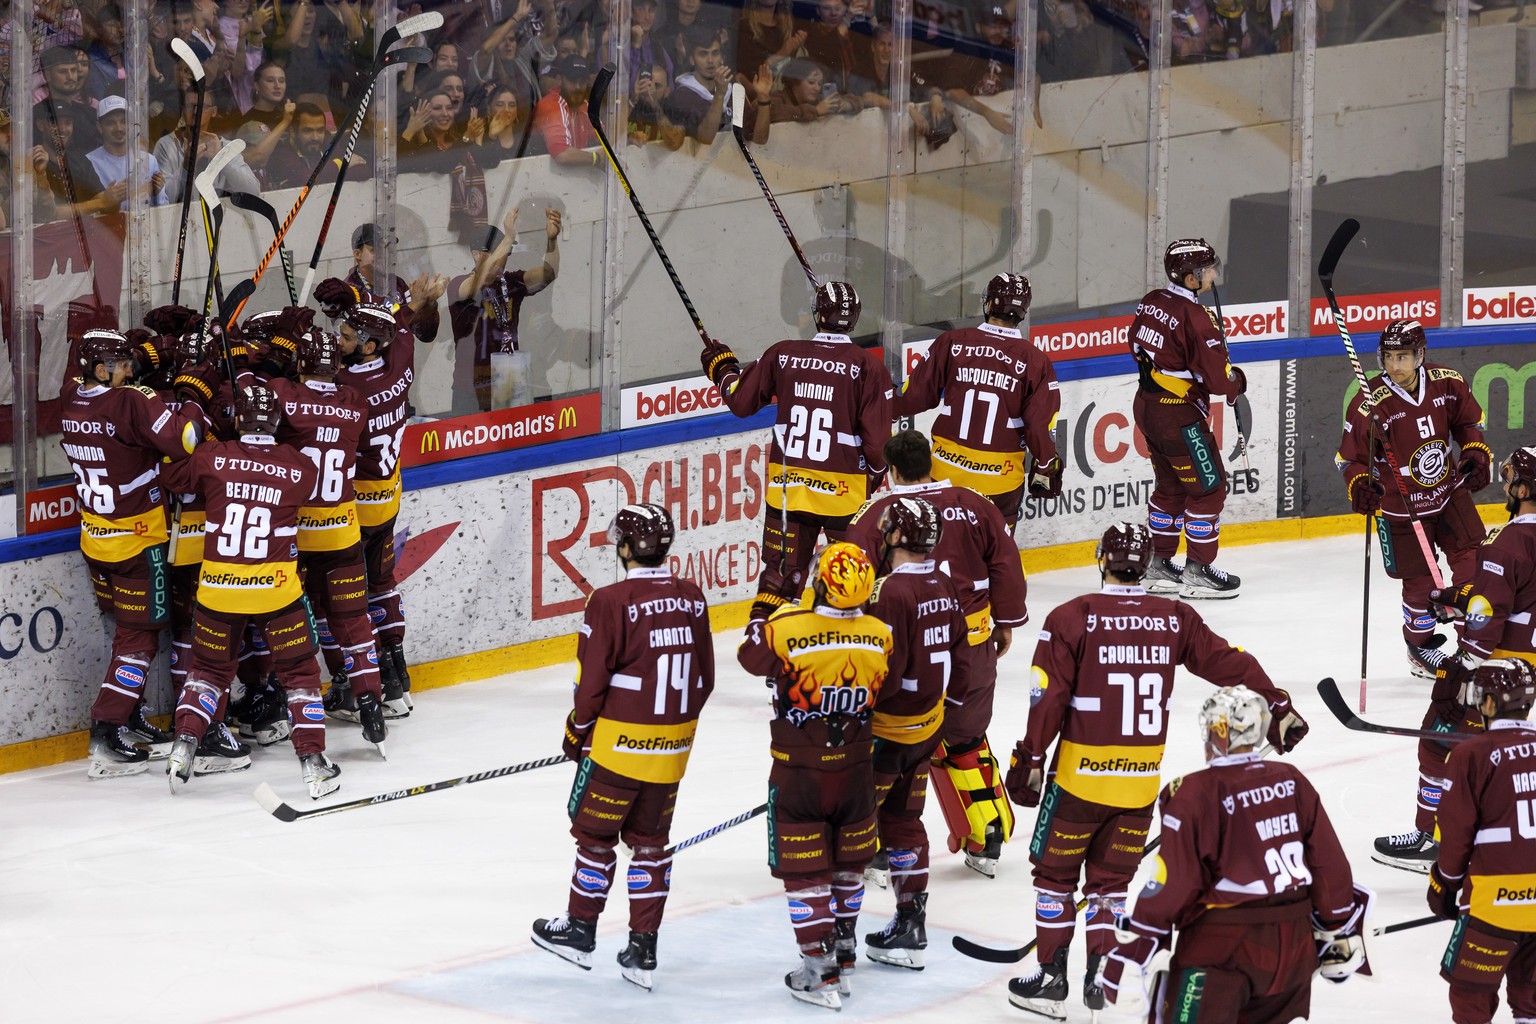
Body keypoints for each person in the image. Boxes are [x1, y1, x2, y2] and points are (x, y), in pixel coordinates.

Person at [1003, 521, 1309, 1019]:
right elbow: (1230, 663)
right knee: (1110, 884)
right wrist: (1276, 704)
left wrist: (1030, 758)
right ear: (1146, 565)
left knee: (1055, 878)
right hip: (1139, 782)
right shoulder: (1174, 616)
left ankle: (1051, 976)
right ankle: (1099, 975)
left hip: (1079, 780)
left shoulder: (1070, 617)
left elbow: (1049, 698)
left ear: (1101, 560)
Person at [1100, 686, 1371, 1024]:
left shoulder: (1191, 792)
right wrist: (1337, 929)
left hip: (1222, 951)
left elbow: (1175, 883)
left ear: (1217, 731)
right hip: (1294, 949)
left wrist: (1134, 949)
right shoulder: (1292, 780)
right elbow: (1329, 865)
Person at [530, 505, 715, 991]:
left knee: (595, 839)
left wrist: (577, 731)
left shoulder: (609, 600)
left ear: (628, 548)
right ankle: (643, 949)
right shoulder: (693, 596)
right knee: (650, 846)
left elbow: (591, 682)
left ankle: (580, 929)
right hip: (673, 748)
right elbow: (705, 678)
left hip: (617, 747)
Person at [847, 429, 1027, 877]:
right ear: (931, 462)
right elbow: (1006, 562)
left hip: (909, 651)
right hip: (971, 643)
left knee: (889, 748)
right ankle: (986, 836)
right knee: (966, 741)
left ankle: (873, 843)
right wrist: (1005, 621)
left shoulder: (881, 513)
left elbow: (850, 574)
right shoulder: (973, 501)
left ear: (890, 471)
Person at [161, 383, 341, 798]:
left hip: (218, 589)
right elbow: (307, 484)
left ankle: (183, 748)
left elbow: (173, 475)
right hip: (276, 592)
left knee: (206, 672)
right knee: (299, 675)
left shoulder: (211, 456)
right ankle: (313, 764)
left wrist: (203, 431)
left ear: (237, 419)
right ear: (277, 422)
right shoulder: (299, 467)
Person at [738, 543, 892, 1010]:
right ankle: (843, 954)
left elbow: (749, 656)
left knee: (805, 873)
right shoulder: (881, 633)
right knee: (848, 865)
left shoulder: (786, 628)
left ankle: (817, 968)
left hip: (800, 771)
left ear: (821, 582)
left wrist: (778, 606)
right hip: (856, 770)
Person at [701, 280, 893, 616]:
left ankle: (773, 656)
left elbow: (740, 400)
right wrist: (873, 478)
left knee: (779, 583)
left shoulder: (783, 353)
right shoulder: (868, 367)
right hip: (843, 499)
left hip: (788, 495)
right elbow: (878, 447)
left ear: (817, 314)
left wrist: (723, 370)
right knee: (849, 583)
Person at [1388, 446, 1536, 873]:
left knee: (1438, 745)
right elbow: (1513, 596)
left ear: (1523, 488)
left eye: (1510, 478)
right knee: (1504, 757)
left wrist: (1462, 671)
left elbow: (1488, 618)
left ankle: (1432, 841)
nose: (1505, 483)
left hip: (1496, 671)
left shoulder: (1507, 542)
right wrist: (1460, 598)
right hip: (1528, 672)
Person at [61, 330, 202, 778]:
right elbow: (186, 440)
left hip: (96, 542)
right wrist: (192, 394)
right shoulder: (128, 403)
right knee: (139, 639)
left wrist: (141, 367)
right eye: (122, 365)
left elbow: (117, 412)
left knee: (124, 631)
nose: (130, 371)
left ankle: (131, 717)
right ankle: (106, 730)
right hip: (139, 544)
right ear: (101, 371)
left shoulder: (71, 397)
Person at [260, 322, 389, 755]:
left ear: (300, 364)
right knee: (353, 621)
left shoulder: (283, 393)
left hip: (294, 539)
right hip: (342, 534)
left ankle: (281, 701)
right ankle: (369, 698)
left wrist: (265, 359)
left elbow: (256, 413)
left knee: (287, 627)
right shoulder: (354, 402)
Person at [1337, 317, 1490, 679]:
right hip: (1401, 507)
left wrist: (1475, 452)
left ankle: (1475, 645)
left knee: (1473, 568)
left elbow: (1471, 423)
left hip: (1450, 492)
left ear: (1419, 355)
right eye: (1389, 357)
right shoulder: (1368, 402)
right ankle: (1419, 647)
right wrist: (1361, 484)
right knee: (1421, 583)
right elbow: (1350, 458)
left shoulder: (1448, 382)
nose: (1395, 366)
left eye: (1403, 357)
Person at [859, 496, 970, 972]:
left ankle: (834, 938)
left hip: (888, 732)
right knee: (904, 822)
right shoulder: (943, 583)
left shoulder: (889, 593)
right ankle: (911, 922)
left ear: (898, 537)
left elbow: (886, 668)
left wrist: (852, 718)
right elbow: (960, 656)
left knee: (853, 825)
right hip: (929, 726)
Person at [313, 288, 428, 717]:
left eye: (345, 337)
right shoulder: (400, 360)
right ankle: (396, 678)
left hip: (354, 511)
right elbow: (401, 321)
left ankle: (354, 682)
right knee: (381, 584)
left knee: (339, 598)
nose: (338, 343)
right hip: (388, 500)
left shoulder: (346, 387)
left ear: (368, 346)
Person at [1127, 238, 1249, 598]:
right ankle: (1198, 570)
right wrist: (1236, 381)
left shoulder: (1152, 301)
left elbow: (1135, 344)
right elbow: (1217, 381)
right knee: (1209, 488)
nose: (1213, 273)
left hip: (1147, 407)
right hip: (1179, 418)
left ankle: (1157, 565)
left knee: (1171, 486)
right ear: (1191, 277)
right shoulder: (1196, 319)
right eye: (1208, 269)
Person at [895, 273, 1062, 530]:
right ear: (1022, 311)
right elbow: (1039, 427)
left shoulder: (952, 342)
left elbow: (913, 397)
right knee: (995, 562)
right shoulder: (1036, 361)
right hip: (1000, 484)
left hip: (946, 476)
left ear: (989, 304)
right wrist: (1046, 466)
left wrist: (879, 403)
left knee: (939, 559)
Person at [1425, 658, 1536, 1024]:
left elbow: (1455, 832)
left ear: (1489, 703)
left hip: (1494, 901)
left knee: (1470, 993)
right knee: (1531, 997)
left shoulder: (1471, 754)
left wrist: (1443, 885)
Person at [447, 205, 561, 413]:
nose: (504, 258)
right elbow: (483, 277)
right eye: (497, 252)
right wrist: (507, 238)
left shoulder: (510, 281)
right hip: (472, 386)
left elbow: (548, 274)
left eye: (507, 252)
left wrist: (552, 241)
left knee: (512, 442)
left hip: (509, 379)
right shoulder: (459, 284)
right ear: (476, 255)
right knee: (473, 443)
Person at [346, 223, 445, 344]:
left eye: (385, 248)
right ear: (358, 254)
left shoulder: (396, 283)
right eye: (375, 249)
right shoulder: (347, 290)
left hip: (402, 362)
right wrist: (414, 305)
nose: (383, 254)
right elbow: (369, 341)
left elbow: (425, 334)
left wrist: (429, 304)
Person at [86, 96, 170, 209]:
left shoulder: (149, 161)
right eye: (111, 123)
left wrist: (157, 194)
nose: (119, 128)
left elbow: (164, 210)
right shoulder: (88, 163)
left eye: (124, 121)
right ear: (100, 127)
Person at [263, 100, 368, 189]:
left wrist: (317, 177)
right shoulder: (281, 151)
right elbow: (304, 179)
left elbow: (363, 170)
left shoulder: (326, 139)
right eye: (307, 131)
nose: (315, 137)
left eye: (320, 130)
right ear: (293, 131)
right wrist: (340, 164)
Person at [532, 54, 602, 168]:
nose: (578, 87)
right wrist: (596, 158)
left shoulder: (584, 106)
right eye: (572, 80)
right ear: (559, 79)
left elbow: (604, 139)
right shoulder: (550, 105)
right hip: (537, 178)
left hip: (569, 179)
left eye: (582, 81)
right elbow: (562, 154)